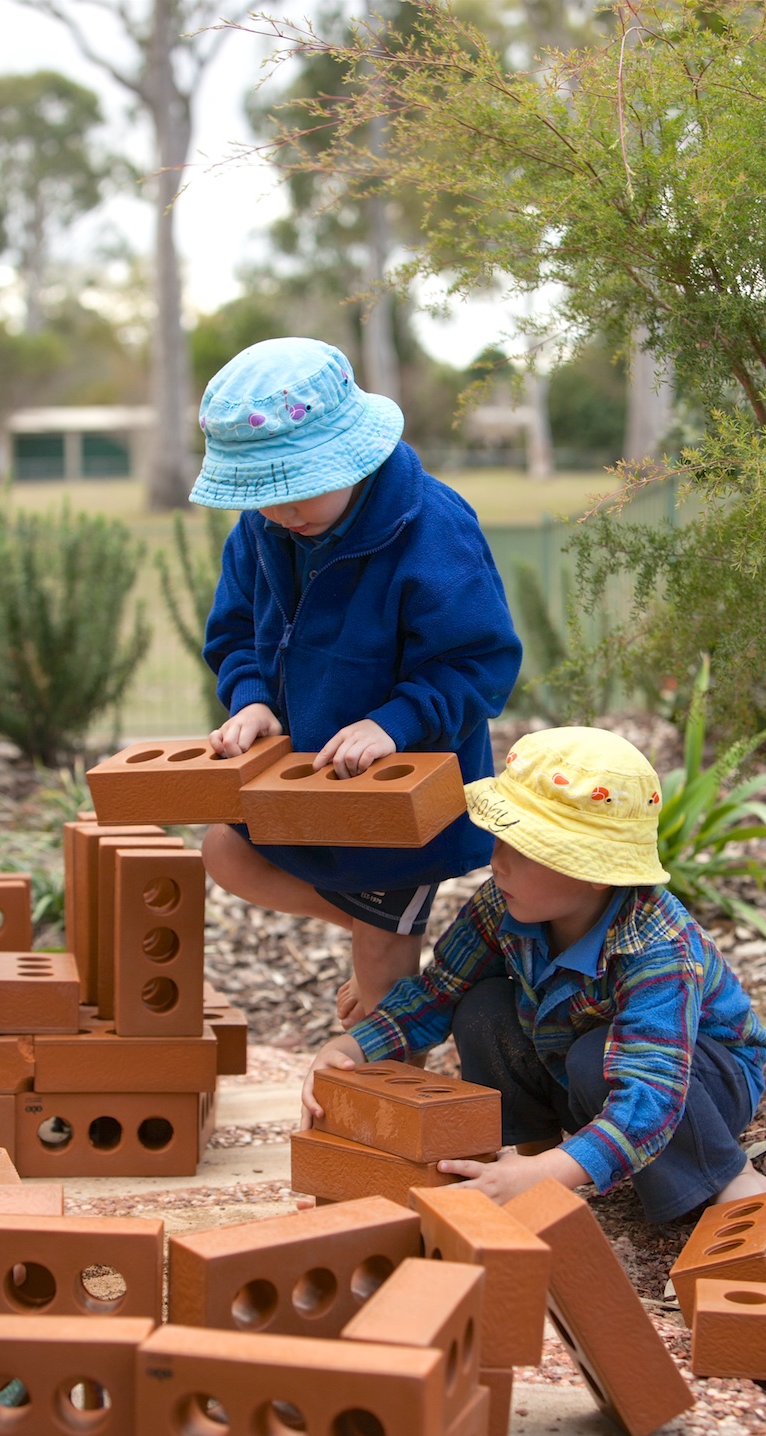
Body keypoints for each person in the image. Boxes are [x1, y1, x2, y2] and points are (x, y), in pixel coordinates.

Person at [301, 725, 766, 1222]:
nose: (498, 863)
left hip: (698, 1084)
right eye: (500, 841)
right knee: (482, 1008)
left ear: (595, 869)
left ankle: (726, 1171)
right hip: (578, 1066)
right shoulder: (503, 905)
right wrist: (348, 1049)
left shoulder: (657, 945)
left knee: (599, 1056)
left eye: (525, 850)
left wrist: (558, 1168)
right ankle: (534, 1157)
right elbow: (438, 993)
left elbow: (654, 1093)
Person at [192, 336, 522, 1023]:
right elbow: (233, 632)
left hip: (397, 802)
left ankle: (391, 1099)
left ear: (356, 455)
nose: (280, 512)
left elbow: (478, 662)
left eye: (296, 489)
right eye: (259, 494)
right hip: (304, 788)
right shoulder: (260, 534)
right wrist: (250, 698)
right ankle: (382, 931)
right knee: (226, 852)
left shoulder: (433, 528)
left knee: (378, 977)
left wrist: (391, 723)